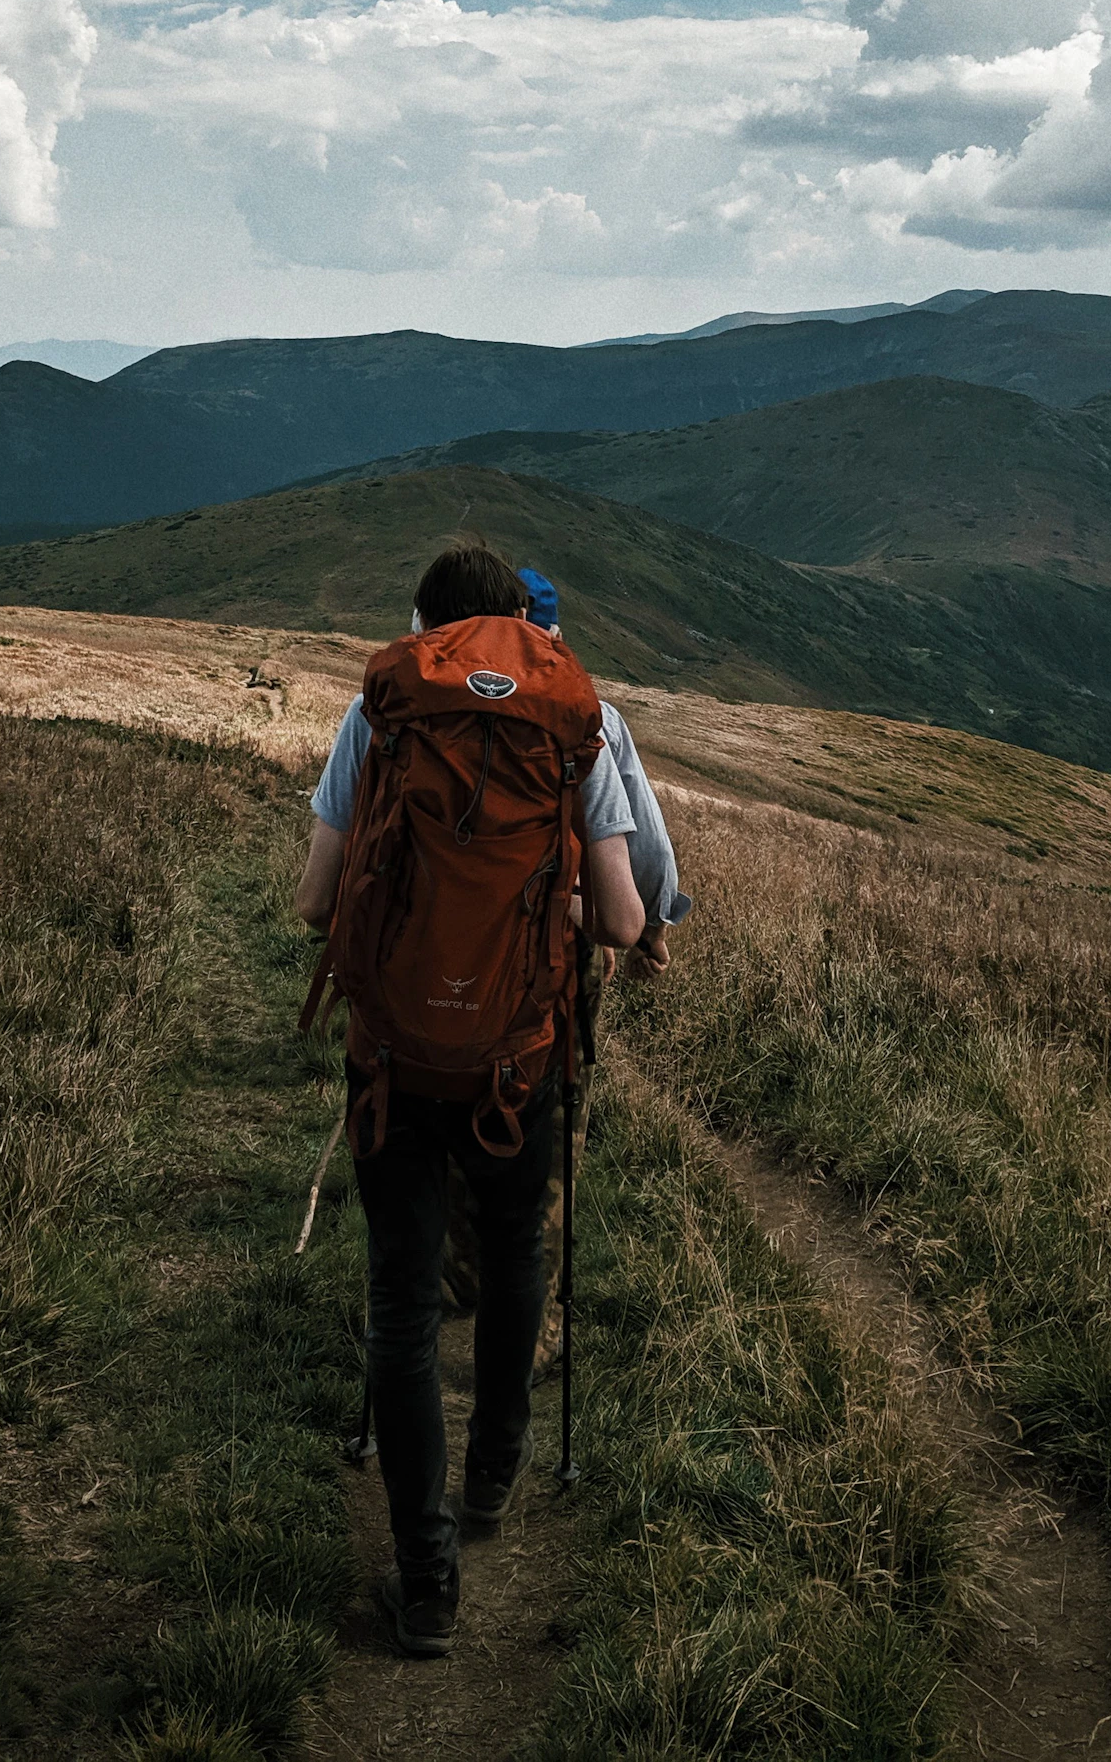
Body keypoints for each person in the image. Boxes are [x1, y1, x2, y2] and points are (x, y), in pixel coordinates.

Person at [295, 543, 646, 1659]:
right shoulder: (566, 724)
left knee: (403, 1301)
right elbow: (626, 925)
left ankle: (426, 1574)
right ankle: (494, 1472)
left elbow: (314, 901)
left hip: (396, 1060)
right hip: (517, 1060)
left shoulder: (385, 714)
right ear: (520, 629)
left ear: (427, 627)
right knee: (510, 1258)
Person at [441, 566, 691, 1358]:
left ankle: (457, 1271)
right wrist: (652, 928)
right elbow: (646, 859)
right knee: (548, 1129)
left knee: (443, 1093)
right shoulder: (590, 718)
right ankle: (535, 1322)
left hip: (440, 954)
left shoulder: (409, 712)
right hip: (552, 952)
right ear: (548, 631)